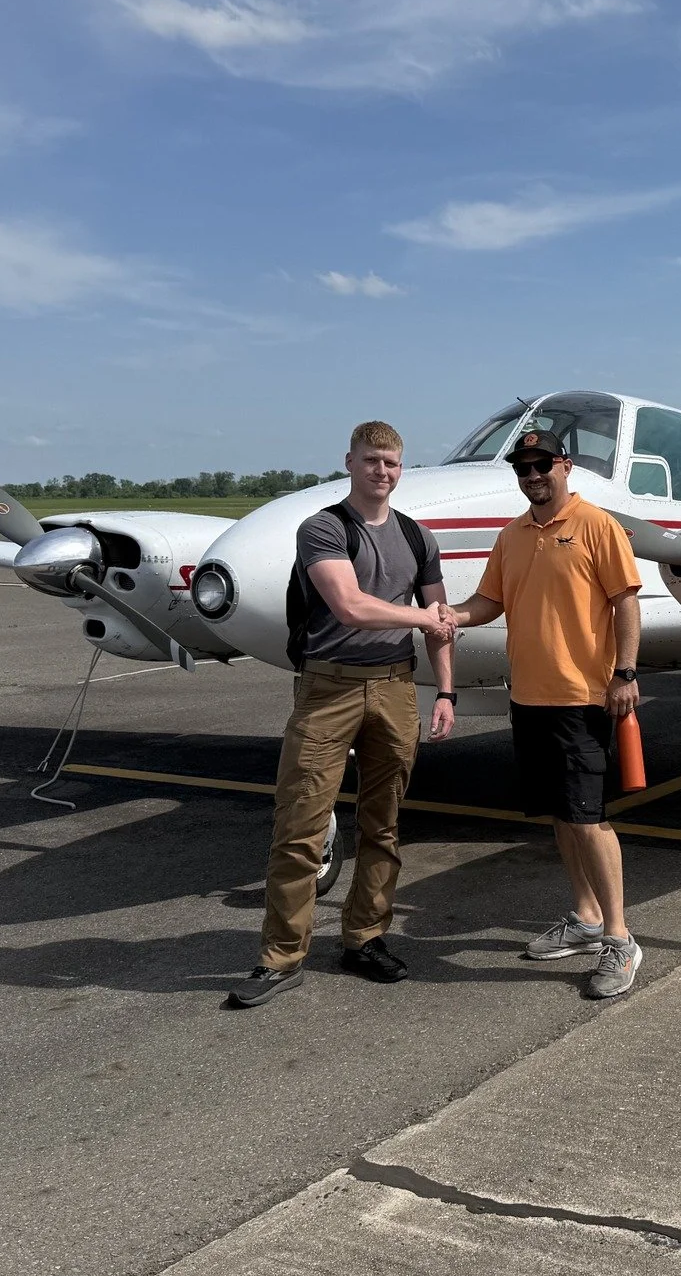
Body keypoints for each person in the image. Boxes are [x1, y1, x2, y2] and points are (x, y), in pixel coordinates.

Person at [227, 421, 456, 1009]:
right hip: (329, 690)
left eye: (392, 463)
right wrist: (425, 618)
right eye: (372, 460)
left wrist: (446, 692)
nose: (383, 471)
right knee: (300, 825)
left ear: (402, 469)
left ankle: (365, 937)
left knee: (384, 824)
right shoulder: (324, 528)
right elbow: (350, 606)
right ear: (349, 462)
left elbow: (442, 623)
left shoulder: (417, 536)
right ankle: (281, 957)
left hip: (396, 687)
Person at [442, 425, 645, 998]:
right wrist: (451, 615)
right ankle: (586, 917)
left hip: (582, 698)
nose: (532, 475)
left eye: (541, 465)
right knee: (560, 814)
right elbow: (490, 602)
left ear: (565, 466)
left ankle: (620, 939)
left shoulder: (596, 525)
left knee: (588, 817)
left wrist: (625, 673)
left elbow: (626, 602)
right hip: (528, 697)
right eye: (522, 468)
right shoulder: (511, 536)